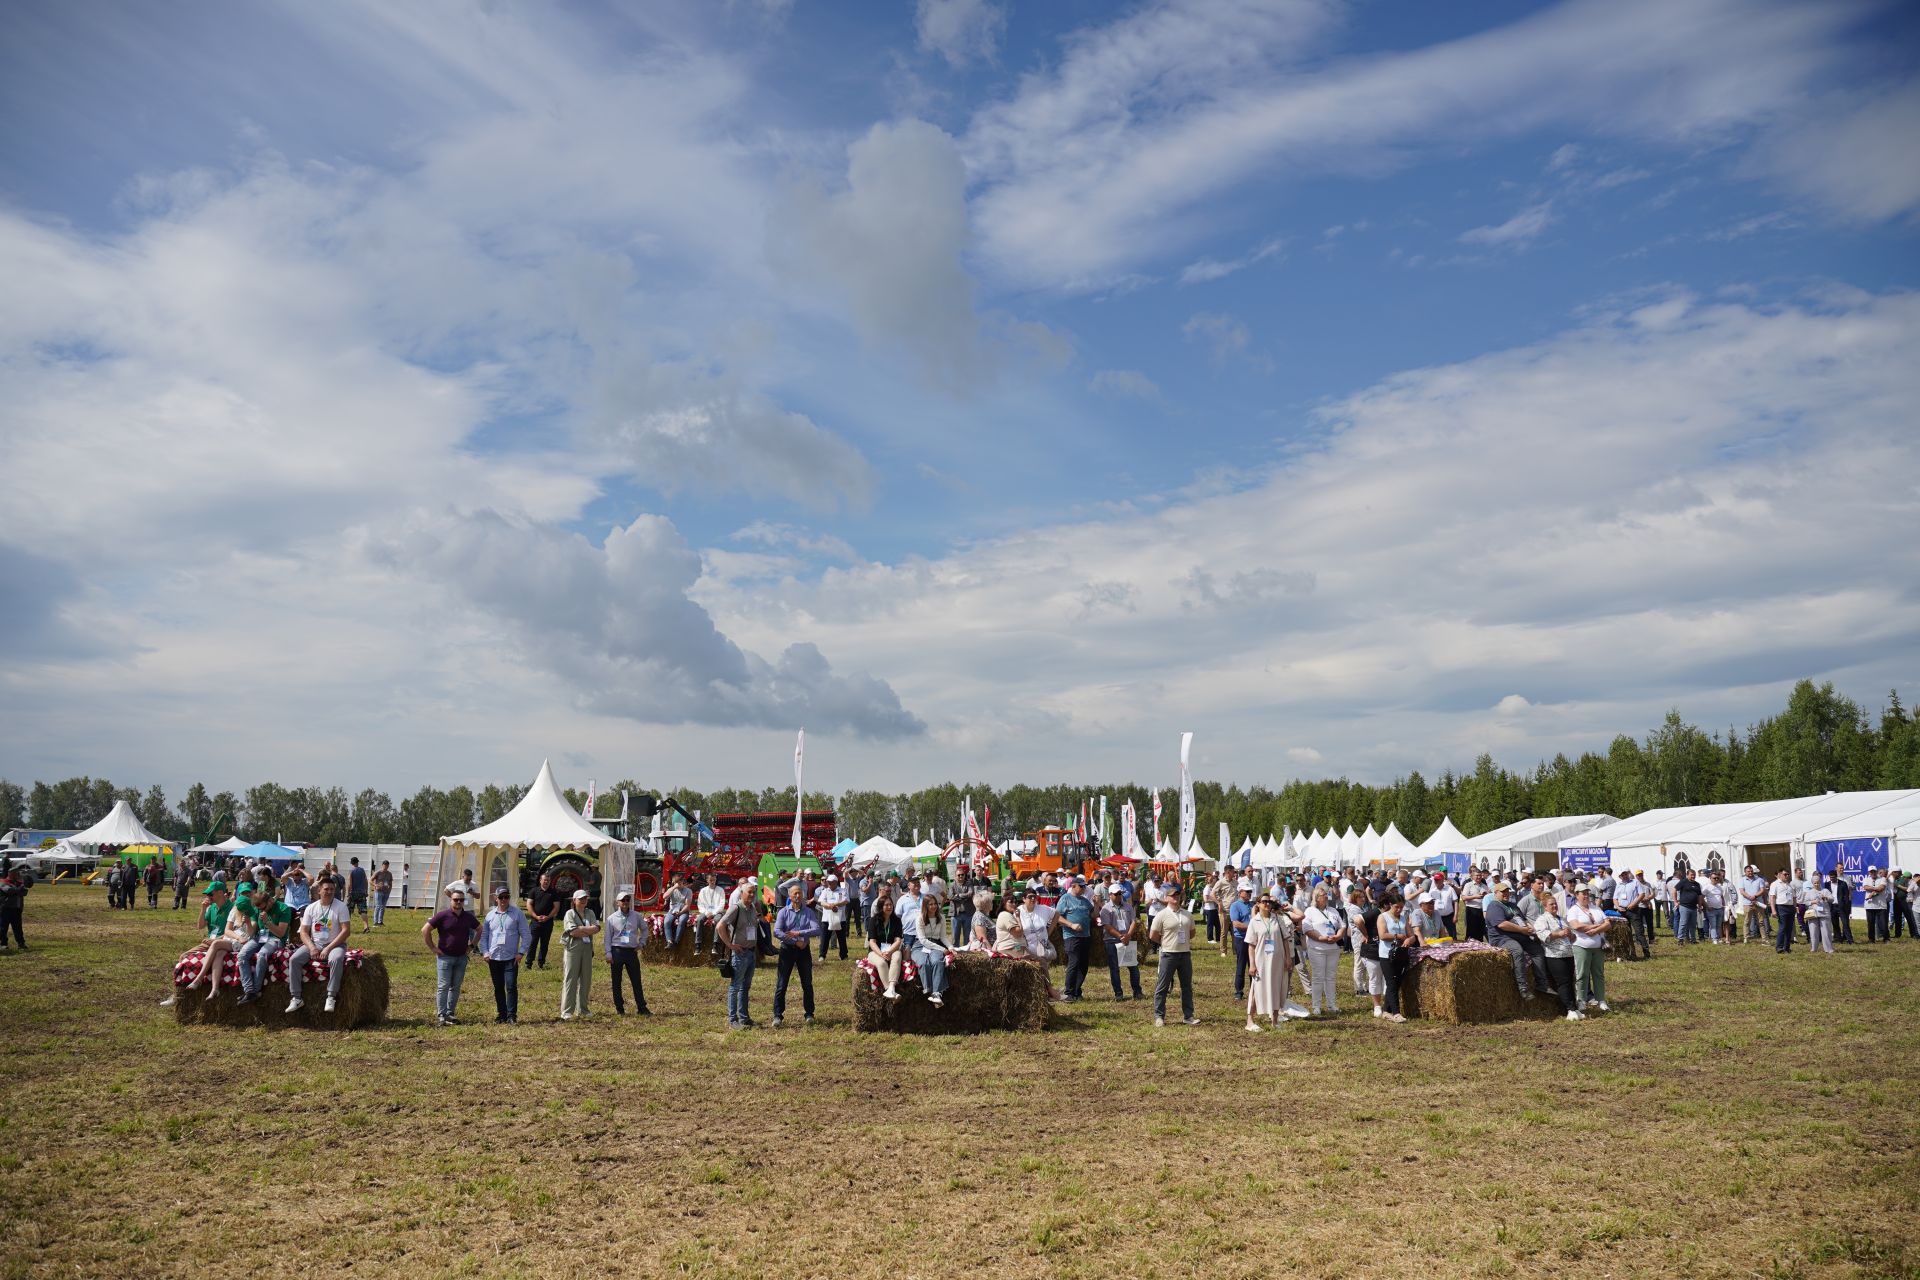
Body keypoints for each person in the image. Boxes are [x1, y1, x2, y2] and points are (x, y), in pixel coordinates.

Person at [287, 876, 352, 1014]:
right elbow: (303, 932)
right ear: (319, 891)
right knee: (294, 959)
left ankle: (331, 996)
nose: (329, 892)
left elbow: (346, 931)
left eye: (332, 889)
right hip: (315, 943)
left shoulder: (341, 907)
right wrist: (311, 947)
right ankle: (296, 997)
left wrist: (328, 948)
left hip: (335, 945)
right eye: (326, 889)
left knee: (335, 959)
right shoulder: (311, 908)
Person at [424, 886, 479, 1026]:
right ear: (451, 900)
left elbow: (480, 929)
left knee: (455, 987)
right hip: (445, 957)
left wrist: (471, 946)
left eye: (461, 900)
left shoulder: (468, 917)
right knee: (443, 986)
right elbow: (425, 930)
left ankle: (450, 1013)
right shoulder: (442, 915)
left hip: (461, 957)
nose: (458, 902)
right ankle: (441, 1015)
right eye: (456, 900)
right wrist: (433, 948)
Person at [477, 885, 530, 1024]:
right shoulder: (490, 916)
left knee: (511, 986)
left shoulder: (517, 914)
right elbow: (484, 936)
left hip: (511, 958)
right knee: (498, 987)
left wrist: (521, 952)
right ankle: (501, 1014)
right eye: (501, 897)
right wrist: (485, 952)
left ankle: (512, 1015)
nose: (504, 899)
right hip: (494, 958)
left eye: (506, 897)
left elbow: (526, 935)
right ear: (496, 898)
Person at [236, 882, 294, 1005]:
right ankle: (249, 991)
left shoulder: (284, 909)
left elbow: (281, 933)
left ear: (270, 901)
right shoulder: (257, 909)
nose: (260, 910)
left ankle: (256, 991)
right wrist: (247, 923)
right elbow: (252, 933)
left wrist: (267, 922)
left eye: (262, 908)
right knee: (241, 955)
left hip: (276, 939)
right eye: (258, 908)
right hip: (260, 937)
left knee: (262, 955)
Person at [772, 883, 821, 1028]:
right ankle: (777, 1015)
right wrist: (795, 941)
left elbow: (817, 929)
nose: (798, 896)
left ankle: (809, 1014)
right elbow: (777, 932)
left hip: (804, 950)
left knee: (807, 983)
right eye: (795, 894)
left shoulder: (808, 912)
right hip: (787, 950)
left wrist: (800, 934)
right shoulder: (783, 912)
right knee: (782, 984)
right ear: (789, 896)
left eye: (800, 893)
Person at [1148, 888, 1198, 1027]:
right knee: (1162, 986)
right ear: (1167, 898)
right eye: (1173, 895)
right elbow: (1153, 935)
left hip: (1185, 954)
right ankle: (1159, 1016)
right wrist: (1166, 942)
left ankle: (1188, 1016)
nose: (1176, 897)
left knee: (1186, 986)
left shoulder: (1187, 914)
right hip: (1168, 954)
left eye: (1178, 895)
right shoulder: (1161, 915)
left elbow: (1192, 933)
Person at [1485, 882, 1542, 1001]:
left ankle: (1542, 983)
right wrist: (1522, 930)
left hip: (1521, 935)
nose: (1506, 894)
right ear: (1495, 893)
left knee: (1538, 950)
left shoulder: (1513, 905)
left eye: (1507, 891)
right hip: (1502, 939)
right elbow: (1502, 924)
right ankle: (1523, 988)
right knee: (1517, 950)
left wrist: (1531, 929)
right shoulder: (1494, 906)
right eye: (1503, 892)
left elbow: (1524, 920)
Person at [717, 882, 762, 1028]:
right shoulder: (736, 908)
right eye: (749, 892)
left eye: (753, 892)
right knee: (735, 986)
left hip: (750, 953)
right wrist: (730, 945)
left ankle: (744, 1018)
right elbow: (720, 926)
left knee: (745, 987)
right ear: (741, 893)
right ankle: (732, 1020)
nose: (752, 894)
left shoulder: (752, 907)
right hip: (740, 953)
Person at [1532, 895, 1584, 1020]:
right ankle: (1569, 1009)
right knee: (1563, 982)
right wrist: (1560, 934)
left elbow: (1573, 938)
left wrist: (1570, 935)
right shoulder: (1542, 919)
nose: (1555, 906)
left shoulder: (1562, 919)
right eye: (1551, 904)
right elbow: (1544, 936)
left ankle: (1574, 1008)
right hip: (1554, 955)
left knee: (1570, 981)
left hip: (1568, 953)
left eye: (1555, 904)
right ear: (1545, 907)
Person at [1242, 894, 1288, 1032]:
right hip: (1261, 960)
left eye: (1269, 902)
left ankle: (1274, 1020)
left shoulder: (1278, 920)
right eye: (1264, 902)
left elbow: (1285, 939)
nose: (1267, 904)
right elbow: (1251, 945)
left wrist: (1288, 958)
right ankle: (1250, 1021)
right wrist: (1252, 964)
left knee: (1276, 987)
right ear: (1258, 904)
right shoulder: (1254, 922)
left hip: (1277, 959)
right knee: (1256, 989)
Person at [1301, 886, 1345, 1017]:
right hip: (1317, 948)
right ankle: (1316, 1006)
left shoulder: (1333, 911)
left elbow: (1342, 926)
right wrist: (1320, 938)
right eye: (1323, 895)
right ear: (1316, 898)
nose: (1326, 896)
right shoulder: (1310, 911)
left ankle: (1332, 1005)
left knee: (1330, 977)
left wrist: (1338, 936)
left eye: (1327, 894)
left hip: (1333, 948)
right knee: (1318, 977)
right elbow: (1307, 928)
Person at [1566, 886, 1610, 1012]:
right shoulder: (1574, 910)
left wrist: (1595, 930)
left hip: (1598, 947)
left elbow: (1608, 924)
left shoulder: (1596, 908)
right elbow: (1575, 925)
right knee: (1582, 974)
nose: (1586, 896)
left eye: (1587, 893)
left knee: (1599, 974)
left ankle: (1601, 1000)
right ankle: (1581, 1000)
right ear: (1576, 895)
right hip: (1581, 946)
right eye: (1583, 894)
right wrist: (1597, 926)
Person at [559, 889, 600, 1021]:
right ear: (574, 901)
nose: (583, 901)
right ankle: (567, 1011)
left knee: (586, 979)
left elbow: (597, 928)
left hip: (587, 948)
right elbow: (572, 932)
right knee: (570, 978)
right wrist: (588, 930)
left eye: (585, 898)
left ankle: (583, 1009)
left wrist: (581, 929)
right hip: (573, 949)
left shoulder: (590, 912)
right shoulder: (569, 914)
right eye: (580, 898)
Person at [1101, 885, 1144, 1001]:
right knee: (1114, 968)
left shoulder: (1128, 906)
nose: (1119, 896)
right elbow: (1107, 926)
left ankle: (1137, 992)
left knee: (1133, 967)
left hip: (1126, 940)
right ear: (1110, 895)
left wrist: (1128, 935)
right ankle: (1118, 993)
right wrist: (1120, 936)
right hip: (1112, 941)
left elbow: (1133, 922)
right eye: (1116, 894)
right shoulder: (1105, 909)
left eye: (1120, 893)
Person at [1055, 877, 1094, 1002]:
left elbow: (1093, 915)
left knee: (1083, 964)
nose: (1083, 889)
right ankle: (1068, 993)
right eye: (1081, 886)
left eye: (1084, 887)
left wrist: (1097, 905)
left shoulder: (1084, 900)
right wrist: (1071, 925)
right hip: (1071, 936)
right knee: (1074, 962)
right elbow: (1057, 917)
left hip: (1085, 936)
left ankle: (1077, 991)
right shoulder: (1065, 899)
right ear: (1073, 886)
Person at [1374, 894, 1411, 1023]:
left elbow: (1411, 935)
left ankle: (1386, 1010)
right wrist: (1398, 936)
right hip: (1386, 955)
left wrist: (1409, 940)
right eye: (1397, 907)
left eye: (1401, 907)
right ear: (1390, 904)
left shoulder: (1403, 918)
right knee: (1391, 983)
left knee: (1397, 983)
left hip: (1401, 953)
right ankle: (1396, 1013)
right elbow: (1382, 935)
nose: (1399, 910)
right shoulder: (1382, 917)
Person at [912, 895, 954, 1007]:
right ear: (925, 906)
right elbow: (923, 940)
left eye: (935, 903)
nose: (934, 906)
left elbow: (943, 937)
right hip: (920, 945)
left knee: (937, 961)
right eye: (930, 904)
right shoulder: (920, 918)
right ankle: (930, 991)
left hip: (936, 944)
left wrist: (950, 947)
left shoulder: (941, 917)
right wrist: (942, 949)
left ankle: (937, 994)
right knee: (923, 963)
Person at [868, 893, 907, 998]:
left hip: (892, 949)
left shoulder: (897, 920)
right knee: (881, 964)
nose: (889, 907)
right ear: (881, 907)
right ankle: (888, 989)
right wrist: (881, 954)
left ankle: (892, 987)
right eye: (886, 905)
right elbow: (872, 941)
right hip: (875, 951)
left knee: (898, 956)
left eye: (891, 905)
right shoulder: (873, 920)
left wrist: (889, 951)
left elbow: (898, 940)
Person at [526, 872, 561, 969]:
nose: (546, 882)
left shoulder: (554, 892)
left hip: (548, 922)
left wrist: (548, 917)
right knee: (532, 943)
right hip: (535, 922)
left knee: (544, 944)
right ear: (540, 881)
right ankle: (528, 963)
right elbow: (529, 904)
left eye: (548, 880)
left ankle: (541, 963)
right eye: (544, 880)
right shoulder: (533, 891)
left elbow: (556, 907)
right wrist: (536, 916)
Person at [1613, 871, 1650, 960]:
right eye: (1622, 875)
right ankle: (1629, 953)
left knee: (1639, 932)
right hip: (1622, 911)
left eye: (1625, 874)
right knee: (1625, 933)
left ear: (1628, 874)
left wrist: (1634, 904)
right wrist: (1618, 907)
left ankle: (1646, 953)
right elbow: (1615, 898)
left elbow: (1642, 894)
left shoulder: (1635, 882)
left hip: (1633, 910)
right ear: (1620, 876)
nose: (1624, 876)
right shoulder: (1618, 885)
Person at [1228, 883, 1254, 1000]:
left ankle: (1255, 989)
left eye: (1250, 892)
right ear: (1240, 892)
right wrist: (1252, 927)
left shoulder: (1252, 905)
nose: (1249, 894)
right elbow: (1236, 923)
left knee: (1253, 964)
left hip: (1253, 938)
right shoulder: (1235, 906)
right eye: (1247, 891)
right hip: (1241, 938)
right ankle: (1239, 991)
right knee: (1241, 964)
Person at [816, 875, 849, 961]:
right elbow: (821, 902)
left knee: (841, 938)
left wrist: (835, 904)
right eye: (828, 882)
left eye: (831, 882)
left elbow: (845, 901)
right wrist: (830, 906)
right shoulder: (825, 891)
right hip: (826, 918)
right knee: (824, 938)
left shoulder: (842, 890)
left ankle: (844, 955)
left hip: (840, 918)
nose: (829, 883)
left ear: (835, 882)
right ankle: (822, 955)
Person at [693, 873, 727, 956]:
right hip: (705, 911)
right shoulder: (703, 890)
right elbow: (700, 904)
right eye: (711, 880)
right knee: (700, 920)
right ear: (707, 880)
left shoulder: (720, 890)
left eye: (714, 880)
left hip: (717, 912)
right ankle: (698, 945)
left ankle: (715, 944)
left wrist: (714, 913)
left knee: (718, 920)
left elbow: (722, 904)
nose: (712, 882)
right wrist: (706, 912)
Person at [1802, 875, 1834, 954]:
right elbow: (1805, 902)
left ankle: (1828, 949)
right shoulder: (1809, 892)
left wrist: (1826, 898)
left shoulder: (1825, 890)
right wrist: (1813, 902)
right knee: (1813, 932)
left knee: (1826, 932)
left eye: (1818, 882)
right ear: (1812, 883)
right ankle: (1814, 948)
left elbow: (1832, 899)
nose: (1817, 884)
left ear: (1820, 882)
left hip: (1824, 913)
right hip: (1813, 914)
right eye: (1815, 883)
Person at [1740, 866, 1771, 944]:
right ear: (1745, 872)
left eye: (1751, 871)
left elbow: (1762, 890)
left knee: (1761, 921)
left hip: (1758, 903)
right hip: (1747, 903)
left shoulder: (1759, 879)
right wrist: (1750, 897)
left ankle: (1764, 938)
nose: (1750, 873)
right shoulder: (1742, 880)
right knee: (1747, 921)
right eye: (1748, 871)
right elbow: (1742, 891)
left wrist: (1755, 896)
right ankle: (1746, 937)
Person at [663, 874, 694, 951]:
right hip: (673, 910)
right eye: (677, 882)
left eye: (681, 882)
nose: (680, 884)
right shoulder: (672, 889)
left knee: (682, 920)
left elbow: (687, 905)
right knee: (667, 921)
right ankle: (669, 942)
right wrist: (673, 887)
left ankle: (676, 941)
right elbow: (664, 897)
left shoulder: (688, 891)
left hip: (683, 910)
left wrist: (680, 913)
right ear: (674, 882)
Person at [1770, 869, 1798, 953]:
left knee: (1789, 928)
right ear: (1779, 874)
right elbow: (1772, 897)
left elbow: (1794, 897)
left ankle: (1787, 947)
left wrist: (1795, 907)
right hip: (1781, 907)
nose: (1787, 876)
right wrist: (1773, 910)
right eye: (1785, 874)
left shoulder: (1789, 885)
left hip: (1790, 907)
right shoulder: (1775, 884)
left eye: (1788, 874)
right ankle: (1779, 947)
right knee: (1782, 927)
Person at [0, 868, 26, 951]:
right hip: (5, 909)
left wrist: (20, 887)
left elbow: (24, 892)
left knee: (18, 928)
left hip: (16, 909)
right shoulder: (3, 882)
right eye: (16, 874)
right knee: (3, 928)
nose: (17, 875)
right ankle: (3, 944)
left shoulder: (18, 883)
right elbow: (9, 890)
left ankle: (21, 943)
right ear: (11, 874)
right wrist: (19, 889)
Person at [1673, 869, 1702, 945]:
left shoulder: (1697, 884)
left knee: (1693, 925)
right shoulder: (1683, 882)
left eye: (1694, 875)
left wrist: (1699, 905)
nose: (1693, 876)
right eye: (1691, 874)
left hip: (1694, 907)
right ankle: (1680, 939)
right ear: (1687, 875)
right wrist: (1675, 901)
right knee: (1683, 923)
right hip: (1684, 907)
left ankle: (1693, 940)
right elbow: (1674, 890)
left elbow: (1699, 896)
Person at [1863, 867, 1891, 943]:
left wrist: (1872, 890)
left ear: (1876, 871)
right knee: (1870, 924)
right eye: (1871, 872)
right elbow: (1865, 887)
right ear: (1869, 872)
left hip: (1881, 905)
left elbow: (1881, 889)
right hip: (1869, 905)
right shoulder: (1866, 879)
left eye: (1874, 871)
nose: (1873, 873)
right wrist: (1876, 888)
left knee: (1883, 923)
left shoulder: (1883, 879)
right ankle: (1871, 939)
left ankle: (1886, 938)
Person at [1700, 870, 1726, 944]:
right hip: (1711, 909)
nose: (1716, 879)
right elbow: (1701, 898)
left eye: (1717, 878)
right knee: (1713, 925)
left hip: (1720, 908)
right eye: (1714, 878)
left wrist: (1723, 905)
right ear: (1710, 878)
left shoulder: (1719, 887)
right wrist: (1707, 906)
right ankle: (1714, 939)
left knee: (1719, 925)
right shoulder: (1707, 887)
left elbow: (1721, 897)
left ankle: (1718, 938)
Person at [347, 857, 370, 923]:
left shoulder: (351, 871)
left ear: (352, 863)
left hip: (353, 893)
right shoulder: (362, 870)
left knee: (349, 910)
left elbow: (349, 884)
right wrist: (366, 891)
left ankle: (347, 926)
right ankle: (366, 927)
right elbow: (366, 881)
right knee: (363, 910)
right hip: (362, 893)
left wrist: (348, 894)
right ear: (357, 862)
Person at [372, 860, 393, 927]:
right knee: (378, 906)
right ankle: (375, 922)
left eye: (387, 865)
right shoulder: (378, 872)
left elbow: (390, 883)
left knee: (383, 907)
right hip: (378, 892)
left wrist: (389, 890)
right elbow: (370, 880)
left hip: (386, 892)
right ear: (382, 865)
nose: (386, 866)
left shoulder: (389, 874)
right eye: (384, 865)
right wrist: (375, 885)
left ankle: (380, 921)